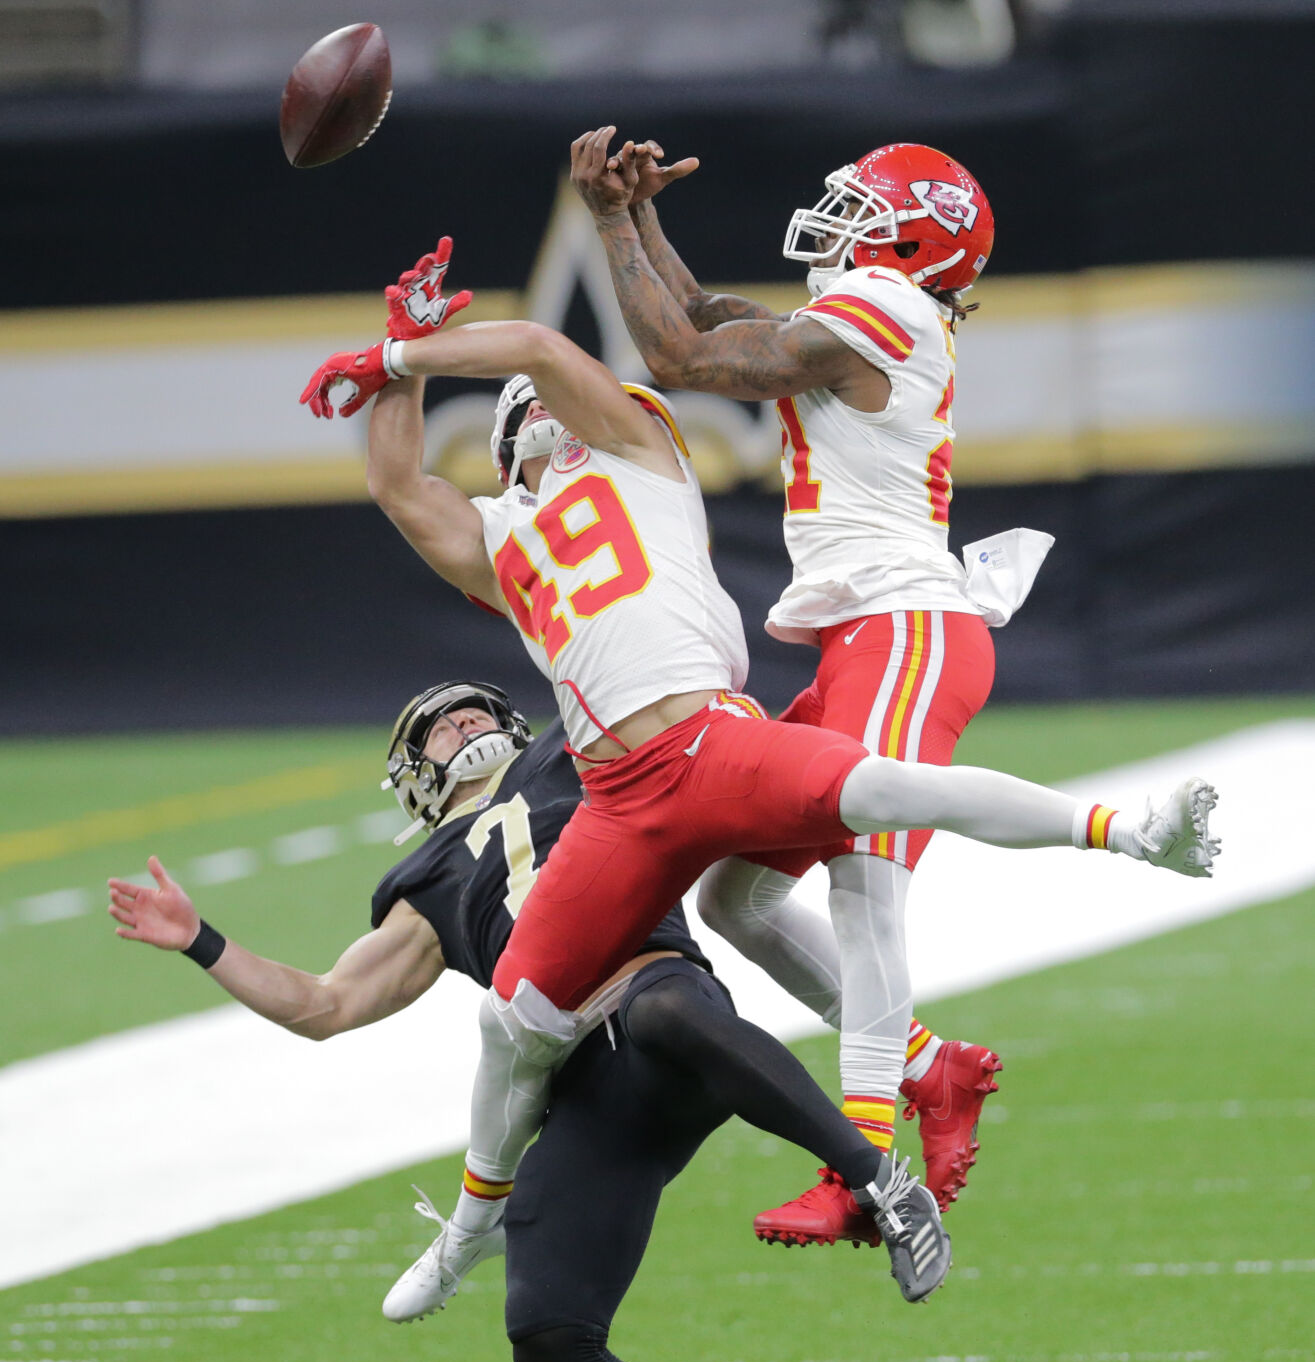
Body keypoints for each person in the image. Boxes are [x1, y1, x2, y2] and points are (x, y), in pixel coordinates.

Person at [297, 239, 1218, 1307]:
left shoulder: (637, 447)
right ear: (504, 448)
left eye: (549, 403)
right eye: (525, 413)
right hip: (616, 795)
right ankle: (469, 1229)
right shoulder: (501, 539)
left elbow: (544, 346)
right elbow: (396, 482)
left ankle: (1133, 830)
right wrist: (394, 375)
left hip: (711, 741)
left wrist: (404, 348)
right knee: (515, 1025)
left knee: (886, 791)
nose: (545, 411)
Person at [106, 677, 874, 1362]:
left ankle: (873, 1176)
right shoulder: (424, 883)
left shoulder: (577, 752)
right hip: (589, 1090)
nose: (459, 721)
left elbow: (687, 702)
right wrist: (204, 939)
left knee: (665, 1011)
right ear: (410, 775)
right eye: (433, 725)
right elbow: (323, 1003)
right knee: (547, 1338)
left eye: (472, 709)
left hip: (664, 997)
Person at [569, 128, 1038, 1234]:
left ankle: (863, 1169)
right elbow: (704, 323)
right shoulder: (873, 310)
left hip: (905, 626)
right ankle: (931, 1068)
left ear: (908, 241)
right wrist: (636, 217)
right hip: (865, 637)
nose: (837, 225)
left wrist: (603, 222)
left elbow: (680, 359)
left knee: (866, 891)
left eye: (860, 212)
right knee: (736, 894)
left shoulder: (891, 306)